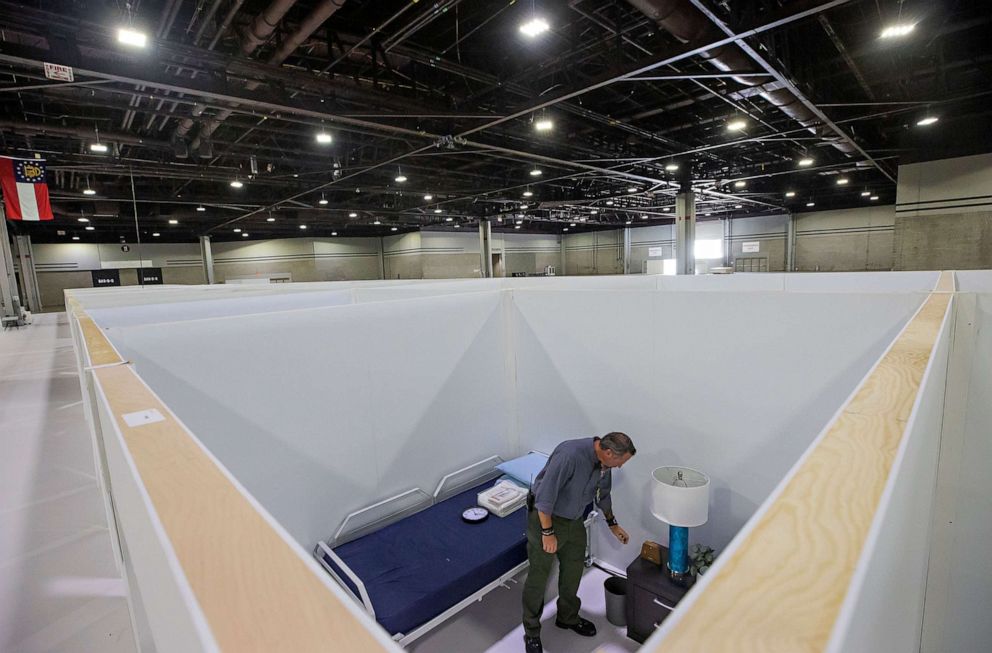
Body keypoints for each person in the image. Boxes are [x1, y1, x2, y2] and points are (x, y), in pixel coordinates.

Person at [521, 432, 636, 653]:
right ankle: (532, 632)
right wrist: (548, 533)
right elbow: (544, 498)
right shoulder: (569, 455)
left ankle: (567, 617)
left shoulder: (605, 463)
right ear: (609, 452)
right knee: (538, 577)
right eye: (620, 462)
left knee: (574, 569)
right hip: (547, 518)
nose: (620, 466)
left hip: (574, 520)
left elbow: (603, 495)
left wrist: (613, 524)